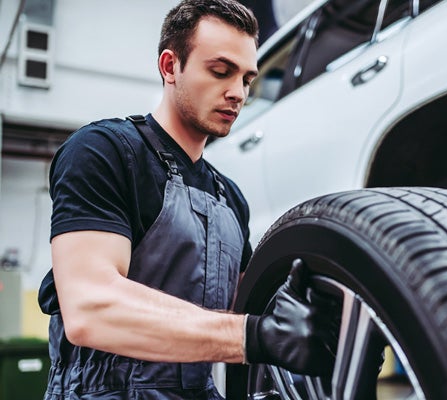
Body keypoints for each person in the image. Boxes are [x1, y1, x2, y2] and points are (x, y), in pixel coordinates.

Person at [37, 1, 338, 398]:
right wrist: (253, 336)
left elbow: (247, 309)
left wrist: (326, 325)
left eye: (248, 79)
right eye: (220, 71)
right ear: (169, 66)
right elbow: (91, 308)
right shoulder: (105, 152)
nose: (238, 93)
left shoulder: (228, 196)